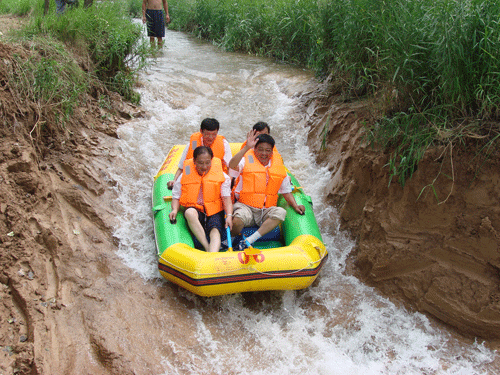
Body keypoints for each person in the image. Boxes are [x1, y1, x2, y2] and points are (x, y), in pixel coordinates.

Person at [229, 132, 305, 250]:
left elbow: (285, 191)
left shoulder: (278, 167)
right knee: (238, 220)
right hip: (246, 206)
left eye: (267, 150)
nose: (264, 153)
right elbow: (232, 165)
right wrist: (246, 147)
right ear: (254, 149)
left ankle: (249, 240)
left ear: (272, 151)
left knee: (280, 212)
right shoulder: (246, 161)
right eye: (260, 149)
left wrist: (295, 206)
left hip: (265, 210)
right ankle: (231, 240)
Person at [169, 146, 233, 253]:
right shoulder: (184, 175)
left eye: (207, 162)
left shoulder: (223, 177)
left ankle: (212, 255)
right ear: (194, 161)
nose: (204, 166)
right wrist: (174, 210)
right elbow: (176, 196)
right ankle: (207, 247)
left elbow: (227, 199)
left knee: (215, 230)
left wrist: (229, 215)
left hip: (214, 210)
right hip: (195, 209)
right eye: (200, 163)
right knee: (189, 212)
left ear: (212, 161)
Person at [167, 118, 232, 189]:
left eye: (214, 134)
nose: (211, 137)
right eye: (207, 134)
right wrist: (175, 180)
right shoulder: (192, 144)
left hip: (215, 180)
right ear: (201, 131)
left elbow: (231, 167)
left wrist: (227, 184)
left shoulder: (224, 144)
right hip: (193, 179)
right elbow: (182, 167)